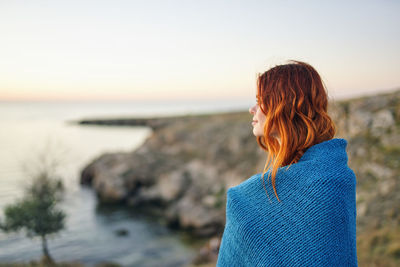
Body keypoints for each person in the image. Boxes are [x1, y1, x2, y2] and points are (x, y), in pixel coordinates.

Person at [216, 60, 358, 266]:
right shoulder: (338, 177)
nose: (252, 108)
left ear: (283, 104)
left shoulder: (245, 202)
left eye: (260, 100)